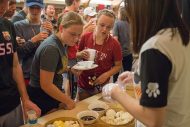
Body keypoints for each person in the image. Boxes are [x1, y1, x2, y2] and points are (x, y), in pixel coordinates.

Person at [102, 0, 190, 127]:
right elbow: (175, 78)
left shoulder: (156, 47)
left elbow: (152, 119)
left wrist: (115, 92)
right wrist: (141, 75)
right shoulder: (181, 36)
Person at [27, 11, 84, 115]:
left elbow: (55, 67)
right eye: (73, 34)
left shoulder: (62, 42)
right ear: (61, 28)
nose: (76, 39)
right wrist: (68, 100)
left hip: (50, 91)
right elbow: (46, 85)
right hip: (41, 95)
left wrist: (69, 69)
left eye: (79, 35)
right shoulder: (51, 48)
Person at [0, 0, 41, 127]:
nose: (3, 6)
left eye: (5, 1)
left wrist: (25, 98)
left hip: (12, 102)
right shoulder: (19, 25)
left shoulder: (8, 25)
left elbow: (15, 64)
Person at [77, 9, 122, 100]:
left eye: (109, 27)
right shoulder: (85, 37)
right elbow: (75, 54)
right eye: (102, 25)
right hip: (83, 84)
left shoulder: (114, 44)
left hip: (102, 86)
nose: (104, 30)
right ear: (96, 22)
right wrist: (79, 54)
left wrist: (106, 75)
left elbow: (118, 66)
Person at [14, 0, 52, 85]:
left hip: (46, 72)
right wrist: (34, 40)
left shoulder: (46, 26)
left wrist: (52, 34)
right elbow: (19, 53)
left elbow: (51, 50)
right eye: (32, 7)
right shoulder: (18, 26)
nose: (35, 11)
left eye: (38, 8)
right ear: (27, 7)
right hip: (28, 74)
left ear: (42, 8)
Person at [113, 6, 132, 82]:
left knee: (116, 74)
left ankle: (115, 90)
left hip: (118, 54)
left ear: (120, 13)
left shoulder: (117, 23)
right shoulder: (131, 24)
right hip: (129, 53)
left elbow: (115, 39)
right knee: (127, 76)